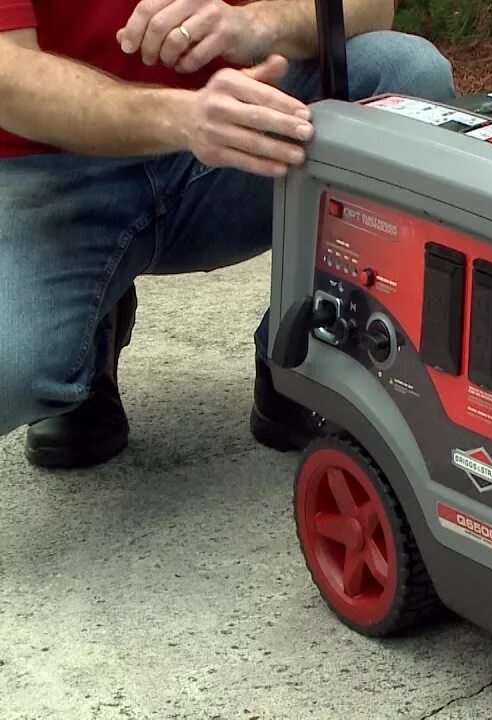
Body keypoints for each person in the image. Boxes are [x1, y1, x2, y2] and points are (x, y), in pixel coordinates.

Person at [0, 0, 456, 468]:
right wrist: (177, 117)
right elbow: (6, 76)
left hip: (224, 140)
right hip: (49, 175)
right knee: (10, 368)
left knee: (407, 73)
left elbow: (372, 6)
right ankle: (90, 330)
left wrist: (258, 22)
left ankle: (304, 354)